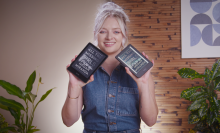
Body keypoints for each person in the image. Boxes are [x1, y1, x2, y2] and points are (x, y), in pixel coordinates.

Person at [62, 2, 158, 133]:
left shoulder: (140, 71)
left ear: (124, 34)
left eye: (116, 31)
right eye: (103, 31)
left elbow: (151, 120)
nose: (109, 37)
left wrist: (143, 84)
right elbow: (68, 121)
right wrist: (74, 87)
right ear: (95, 33)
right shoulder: (83, 69)